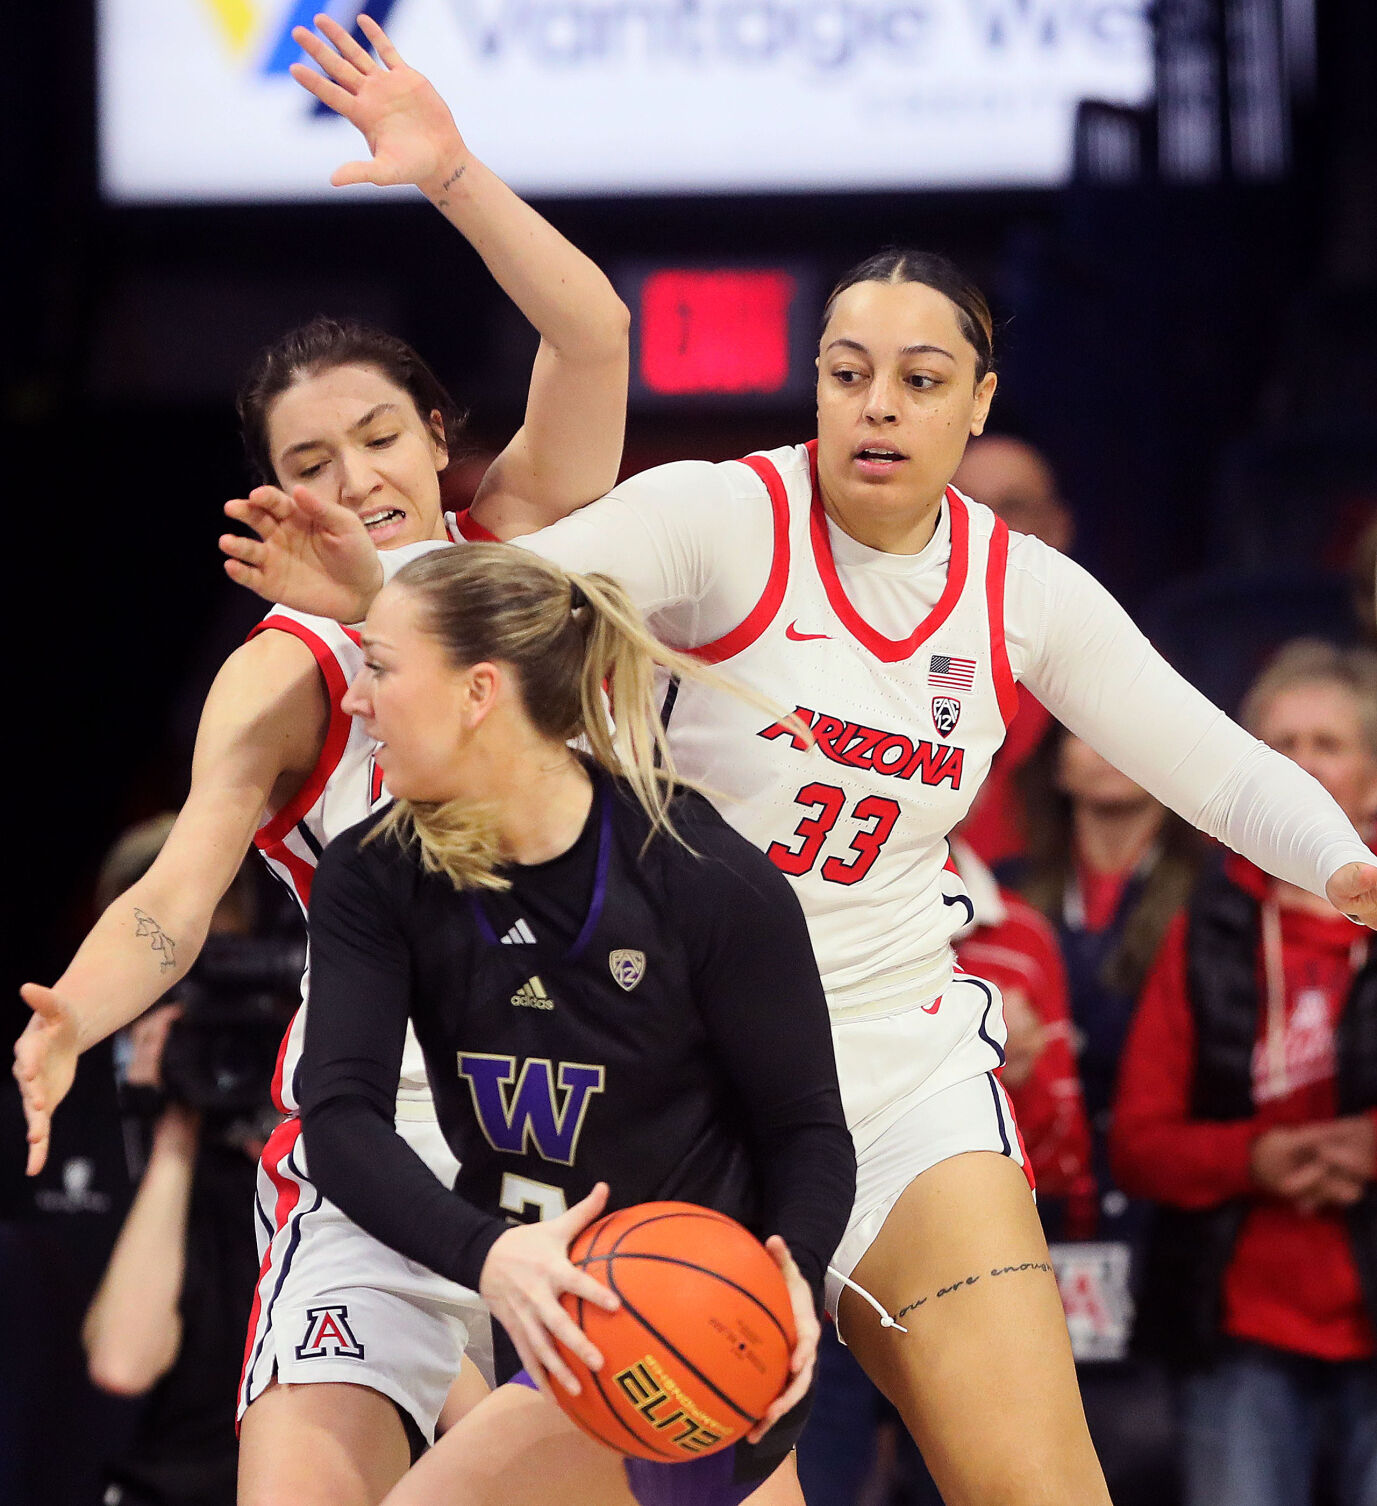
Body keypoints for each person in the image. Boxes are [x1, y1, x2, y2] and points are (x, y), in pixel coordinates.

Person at [222, 194, 1377, 1506]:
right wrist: (379, 589)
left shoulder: (1019, 590)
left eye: (919, 377)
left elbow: (1210, 757)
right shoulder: (722, 518)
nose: (877, 405)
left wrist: (1344, 862)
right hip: (684, 1082)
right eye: (847, 372)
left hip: (893, 1064)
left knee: (1043, 1488)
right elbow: (516, 590)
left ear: (979, 401)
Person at [14, 15, 630, 1505]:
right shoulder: (275, 677)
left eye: (378, 438)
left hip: (590, 1117)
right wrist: (68, 1022)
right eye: (309, 462)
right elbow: (176, 895)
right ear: (273, 497)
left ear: (439, 441)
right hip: (378, 1135)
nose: (354, 477)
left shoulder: (531, 549)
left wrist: (453, 172)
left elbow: (596, 335)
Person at [296, 543, 855, 1506]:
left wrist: (793, 1274)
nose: (355, 700)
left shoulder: (697, 874)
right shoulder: (375, 872)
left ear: (478, 691)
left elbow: (806, 1127)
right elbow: (339, 1117)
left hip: (675, 1325)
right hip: (550, 1316)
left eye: (381, 667)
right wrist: (486, 1252)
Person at [1113, 639, 1377, 1506]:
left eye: (1327, 744)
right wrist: (1253, 1160)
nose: (1301, 766)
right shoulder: (1204, 929)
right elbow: (1139, 1145)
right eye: (1278, 746)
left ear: (1372, 773)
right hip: (1236, 1333)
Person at [950, 433, 1073, 869]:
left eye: (1012, 506)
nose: (988, 524)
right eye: (967, 504)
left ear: (1058, 527)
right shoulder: (882, 665)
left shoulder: (1109, 671)